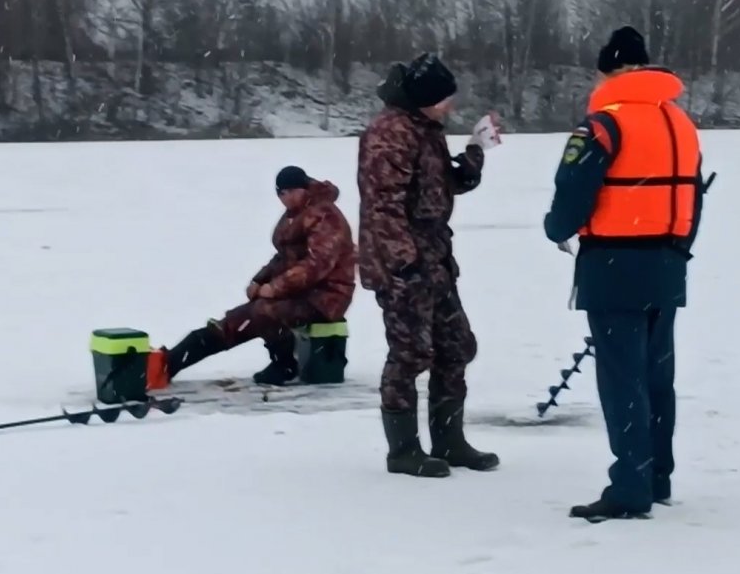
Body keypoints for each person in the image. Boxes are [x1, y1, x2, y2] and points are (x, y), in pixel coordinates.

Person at [543, 26, 709, 522]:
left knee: (622, 380)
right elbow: (692, 195)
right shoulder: (680, 123)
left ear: (608, 72)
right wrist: (676, 249)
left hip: (613, 266)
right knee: (657, 377)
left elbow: (571, 195)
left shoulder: (604, 125)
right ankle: (657, 476)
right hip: (668, 263)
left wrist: (556, 228)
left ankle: (631, 485)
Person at [357, 51, 503, 478]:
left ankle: (449, 441)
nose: (450, 106)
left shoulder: (424, 128)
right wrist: (404, 265)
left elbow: (440, 186)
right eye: (444, 99)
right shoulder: (389, 133)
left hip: (435, 258)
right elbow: (382, 207)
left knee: (456, 346)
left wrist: (475, 152)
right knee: (410, 353)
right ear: (424, 98)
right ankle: (403, 450)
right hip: (402, 265)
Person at [148, 166, 356, 387]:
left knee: (262, 311)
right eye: (281, 193)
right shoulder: (296, 214)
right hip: (299, 292)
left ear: (304, 189)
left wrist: (276, 287)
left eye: (291, 192)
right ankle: (169, 363)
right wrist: (260, 280)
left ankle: (284, 364)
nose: (285, 198)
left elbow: (317, 264)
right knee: (239, 319)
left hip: (326, 297)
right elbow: (284, 257)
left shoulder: (325, 216)